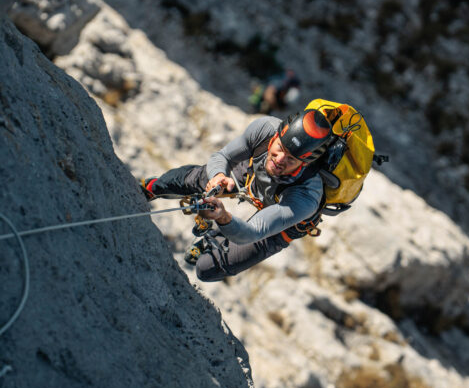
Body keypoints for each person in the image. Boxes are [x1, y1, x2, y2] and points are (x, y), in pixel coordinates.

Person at [141, 107, 334, 282]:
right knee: (198, 178)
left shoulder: (307, 196)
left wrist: (223, 217)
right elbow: (222, 156)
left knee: (206, 269)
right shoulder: (265, 129)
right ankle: (153, 187)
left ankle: (217, 236)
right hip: (255, 174)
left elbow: (253, 232)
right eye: (280, 148)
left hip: (285, 219)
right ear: (276, 136)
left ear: (305, 163)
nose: (279, 159)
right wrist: (218, 176)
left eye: (291, 159)